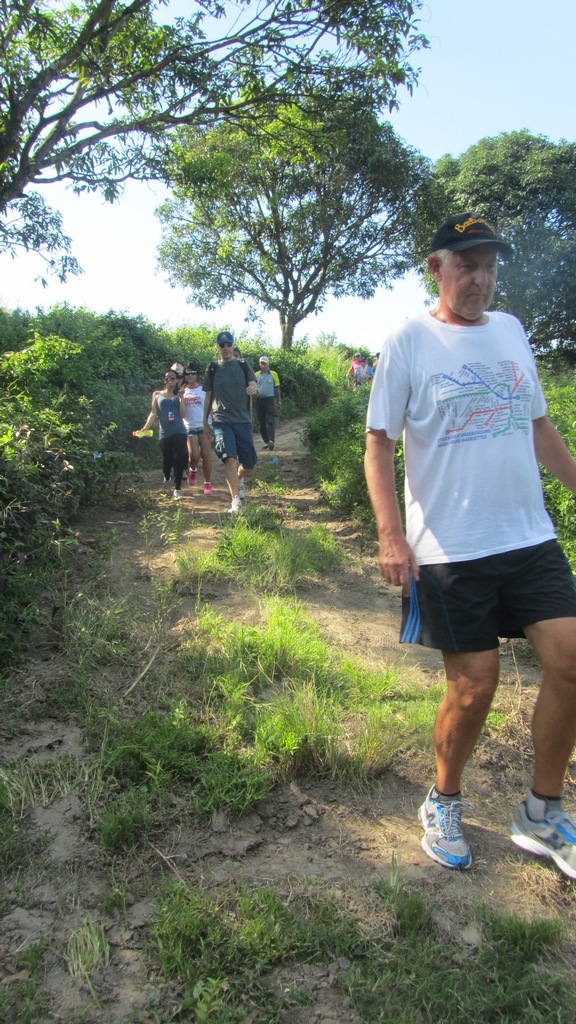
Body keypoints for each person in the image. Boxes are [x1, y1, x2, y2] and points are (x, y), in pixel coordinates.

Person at [364, 212, 576, 880]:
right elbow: (379, 443)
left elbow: (537, 424)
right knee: (474, 687)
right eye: (466, 266)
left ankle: (541, 812)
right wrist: (391, 536)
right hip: (452, 547)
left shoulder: (511, 330)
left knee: (571, 661)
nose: (479, 279)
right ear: (436, 268)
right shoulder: (408, 341)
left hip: (529, 535)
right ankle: (444, 799)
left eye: (488, 266)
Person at [202, 330, 259, 513]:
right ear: (217, 347)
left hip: (242, 420)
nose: (226, 348)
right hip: (221, 420)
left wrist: (253, 389)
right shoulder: (212, 368)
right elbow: (208, 395)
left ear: (233, 346)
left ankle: (240, 478)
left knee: (248, 465)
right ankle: (235, 501)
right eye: (222, 345)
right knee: (230, 458)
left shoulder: (243, 365)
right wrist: (205, 421)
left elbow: (254, 384)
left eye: (228, 345)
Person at [140, 368, 188, 499]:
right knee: (167, 460)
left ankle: (177, 489)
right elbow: (153, 413)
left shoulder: (180, 395)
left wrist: (182, 399)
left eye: (173, 377)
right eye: (167, 377)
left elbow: (183, 414)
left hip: (179, 431)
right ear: (164, 380)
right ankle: (166, 479)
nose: (170, 379)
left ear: (177, 380)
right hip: (165, 432)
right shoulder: (157, 394)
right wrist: (145, 428)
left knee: (178, 459)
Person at [180, 365, 213, 494]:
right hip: (189, 426)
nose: (190, 376)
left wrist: (211, 423)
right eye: (187, 373)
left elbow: (210, 406)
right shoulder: (182, 391)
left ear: (197, 375)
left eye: (193, 373)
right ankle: (193, 469)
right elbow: (181, 412)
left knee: (206, 455)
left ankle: (207, 483)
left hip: (204, 425)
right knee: (194, 455)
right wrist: (181, 397)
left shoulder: (203, 389)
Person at [255, 356, 281, 450]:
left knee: (270, 420)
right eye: (261, 363)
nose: (263, 365)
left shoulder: (274, 374)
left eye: (265, 363)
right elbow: (253, 387)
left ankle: (271, 440)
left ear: (268, 364)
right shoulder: (256, 375)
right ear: (259, 364)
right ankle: (267, 441)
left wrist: (279, 401)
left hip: (269, 400)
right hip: (259, 400)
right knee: (261, 422)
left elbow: (277, 388)